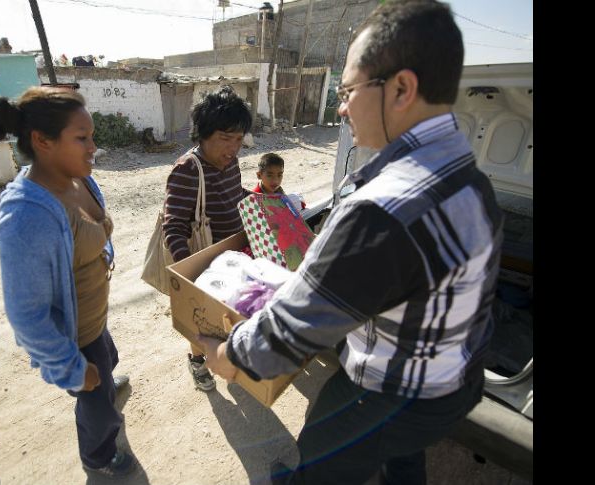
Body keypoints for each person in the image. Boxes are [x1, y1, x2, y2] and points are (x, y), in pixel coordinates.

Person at [198, 1, 504, 483]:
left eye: (348, 90)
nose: (340, 107)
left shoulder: (381, 208)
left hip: (392, 391)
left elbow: (285, 337)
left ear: (401, 88)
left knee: (321, 456)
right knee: (401, 455)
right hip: (456, 381)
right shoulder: (470, 178)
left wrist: (224, 354)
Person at [0, 87, 136, 477]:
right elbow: (27, 317)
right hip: (75, 337)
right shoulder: (25, 217)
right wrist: (72, 369)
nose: (93, 147)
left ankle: (102, 387)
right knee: (96, 406)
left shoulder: (76, 179)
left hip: (93, 318)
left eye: (92, 136)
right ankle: (98, 456)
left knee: (108, 360)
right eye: (81, 138)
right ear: (42, 141)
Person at [162, 85, 253, 392]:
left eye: (238, 140)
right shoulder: (188, 169)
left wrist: (262, 202)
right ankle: (197, 361)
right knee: (200, 321)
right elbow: (173, 227)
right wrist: (191, 278)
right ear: (203, 133)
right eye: (225, 138)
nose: (233, 148)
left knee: (225, 319)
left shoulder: (231, 163)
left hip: (231, 259)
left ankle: (224, 357)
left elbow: (235, 195)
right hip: (204, 266)